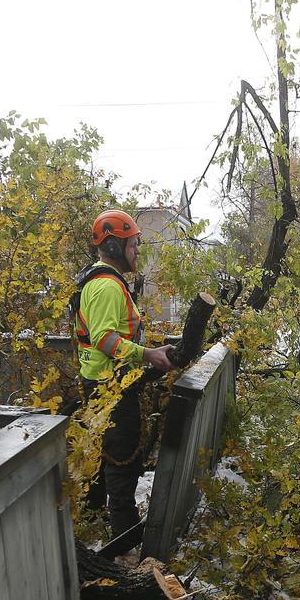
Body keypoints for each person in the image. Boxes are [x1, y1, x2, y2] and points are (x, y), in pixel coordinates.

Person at [73, 209, 175, 538]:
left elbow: (116, 335)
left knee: (105, 463)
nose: (137, 251)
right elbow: (104, 338)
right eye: (133, 245)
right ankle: (125, 546)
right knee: (122, 465)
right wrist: (147, 355)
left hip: (107, 384)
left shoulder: (105, 282)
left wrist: (152, 351)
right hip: (111, 389)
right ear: (115, 246)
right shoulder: (105, 287)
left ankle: (94, 533)